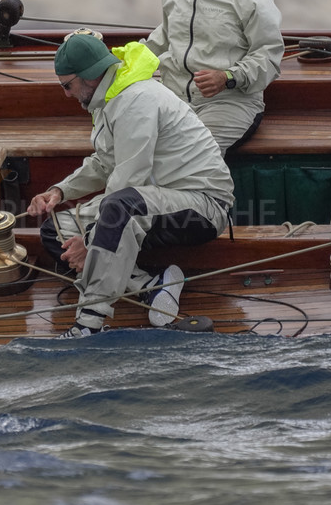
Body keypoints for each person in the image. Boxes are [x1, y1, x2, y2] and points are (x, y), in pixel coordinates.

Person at [26, 29, 235, 337]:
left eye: (67, 86)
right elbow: (103, 163)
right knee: (55, 231)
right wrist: (60, 190)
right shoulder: (110, 97)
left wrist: (91, 244)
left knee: (118, 208)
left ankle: (89, 325)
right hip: (151, 199)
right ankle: (153, 285)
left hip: (201, 205)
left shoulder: (136, 100)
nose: (66, 94)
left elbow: (126, 185)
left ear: (90, 75)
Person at [144, 0, 284, 162]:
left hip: (229, 103)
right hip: (174, 97)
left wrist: (227, 76)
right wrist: (125, 63)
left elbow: (268, 58)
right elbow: (165, 36)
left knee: (190, 156)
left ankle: (207, 203)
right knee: (131, 142)